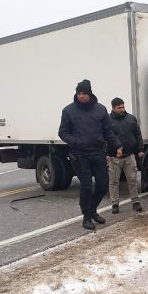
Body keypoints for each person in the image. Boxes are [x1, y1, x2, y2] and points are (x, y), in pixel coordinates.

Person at [58, 79, 122, 230]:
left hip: (98, 152)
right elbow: (63, 132)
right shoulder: (68, 111)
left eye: (84, 93)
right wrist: (76, 142)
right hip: (80, 154)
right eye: (78, 93)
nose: (81, 96)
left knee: (102, 184)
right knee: (86, 185)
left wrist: (117, 145)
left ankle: (92, 210)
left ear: (90, 94)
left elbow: (108, 131)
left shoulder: (100, 109)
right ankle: (86, 217)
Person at [107, 97, 144, 214]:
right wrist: (106, 153)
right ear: (113, 108)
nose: (122, 109)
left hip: (129, 156)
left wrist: (140, 149)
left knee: (132, 179)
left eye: (123, 107)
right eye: (119, 108)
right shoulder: (107, 121)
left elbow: (138, 135)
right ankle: (115, 204)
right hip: (114, 157)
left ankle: (135, 202)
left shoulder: (131, 118)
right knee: (114, 181)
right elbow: (104, 138)